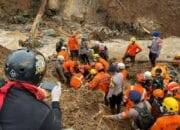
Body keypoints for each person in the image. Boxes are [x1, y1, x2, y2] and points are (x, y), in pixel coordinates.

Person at [0, 48, 62, 130]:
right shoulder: (42, 111)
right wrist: (55, 101)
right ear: (38, 76)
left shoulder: (2, 87)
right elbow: (56, 127)